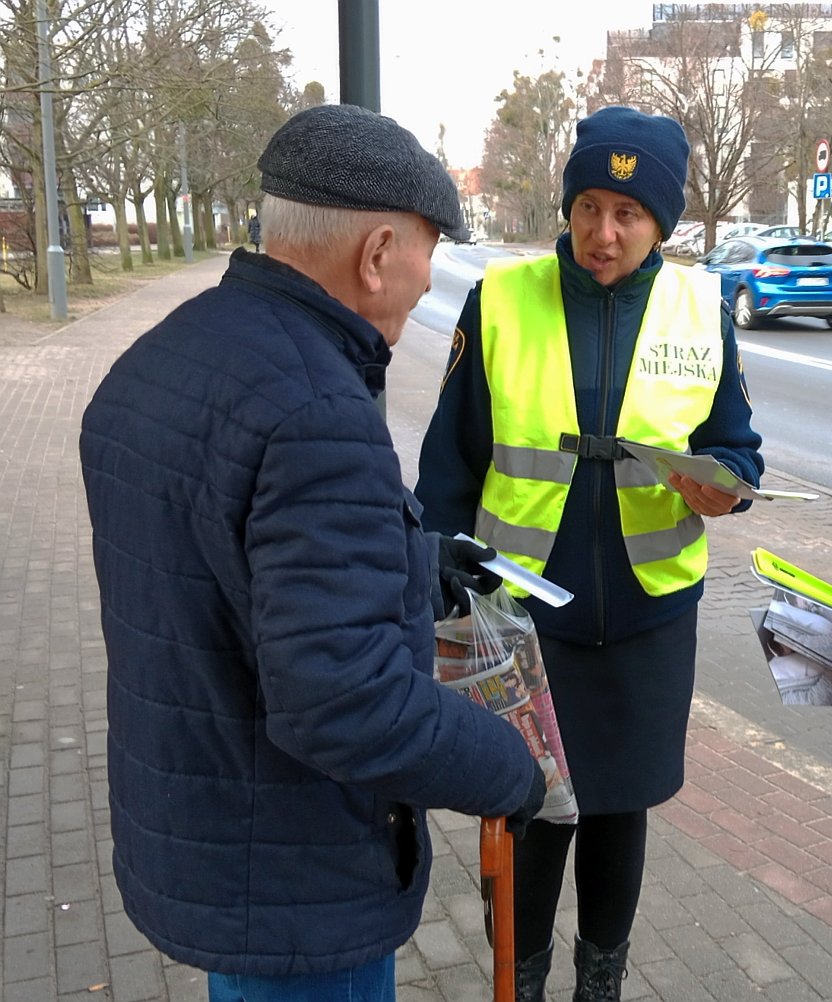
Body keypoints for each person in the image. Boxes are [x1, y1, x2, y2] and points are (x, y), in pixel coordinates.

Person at [79, 104, 547, 1002]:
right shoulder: (318, 414)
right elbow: (347, 702)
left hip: (209, 820)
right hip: (294, 875)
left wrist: (415, 558)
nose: (424, 283)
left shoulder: (166, 353)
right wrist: (505, 768)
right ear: (375, 256)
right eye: (426, 254)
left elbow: (225, 568)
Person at [415, 105, 763, 1002]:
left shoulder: (699, 304)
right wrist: (442, 585)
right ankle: (517, 983)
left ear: (662, 224)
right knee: (529, 813)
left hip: (649, 619)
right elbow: (449, 463)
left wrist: (726, 479)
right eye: (589, 208)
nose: (603, 234)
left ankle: (599, 982)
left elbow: (737, 443)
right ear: (567, 206)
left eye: (630, 215)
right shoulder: (500, 297)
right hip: (522, 618)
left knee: (620, 810)